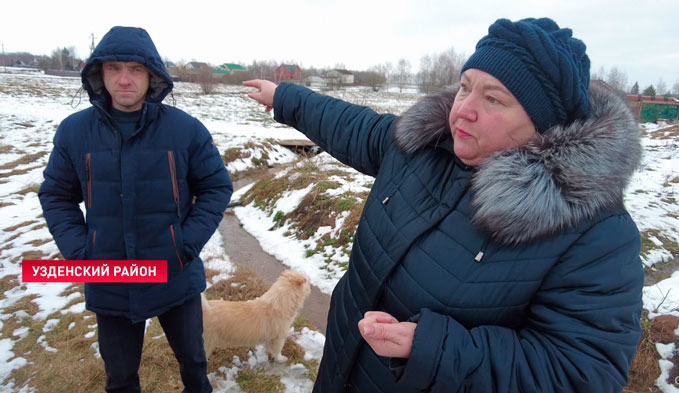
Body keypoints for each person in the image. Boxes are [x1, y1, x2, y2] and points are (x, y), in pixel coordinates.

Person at [244, 17, 644, 393]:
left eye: (493, 99)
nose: (464, 109)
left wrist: (439, 352)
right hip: (341, 367)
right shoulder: (424, 146)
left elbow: (581, 373)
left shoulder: (596, 234)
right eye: (465, 86)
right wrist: (286, 97)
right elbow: (353, 125)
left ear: (545, 124)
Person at [38, 26, 232, 393]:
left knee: (194, 363)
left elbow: (216, 187)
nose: (124, 79)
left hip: (175, 272)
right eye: (114, 68)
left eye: (135, 69)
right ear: (99, 73)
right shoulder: (74, 133)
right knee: (121, 376)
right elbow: (56, 195)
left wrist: (184, 244)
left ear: (152, 75)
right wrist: (81, 252)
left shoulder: (186, 131)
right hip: (110, 276)